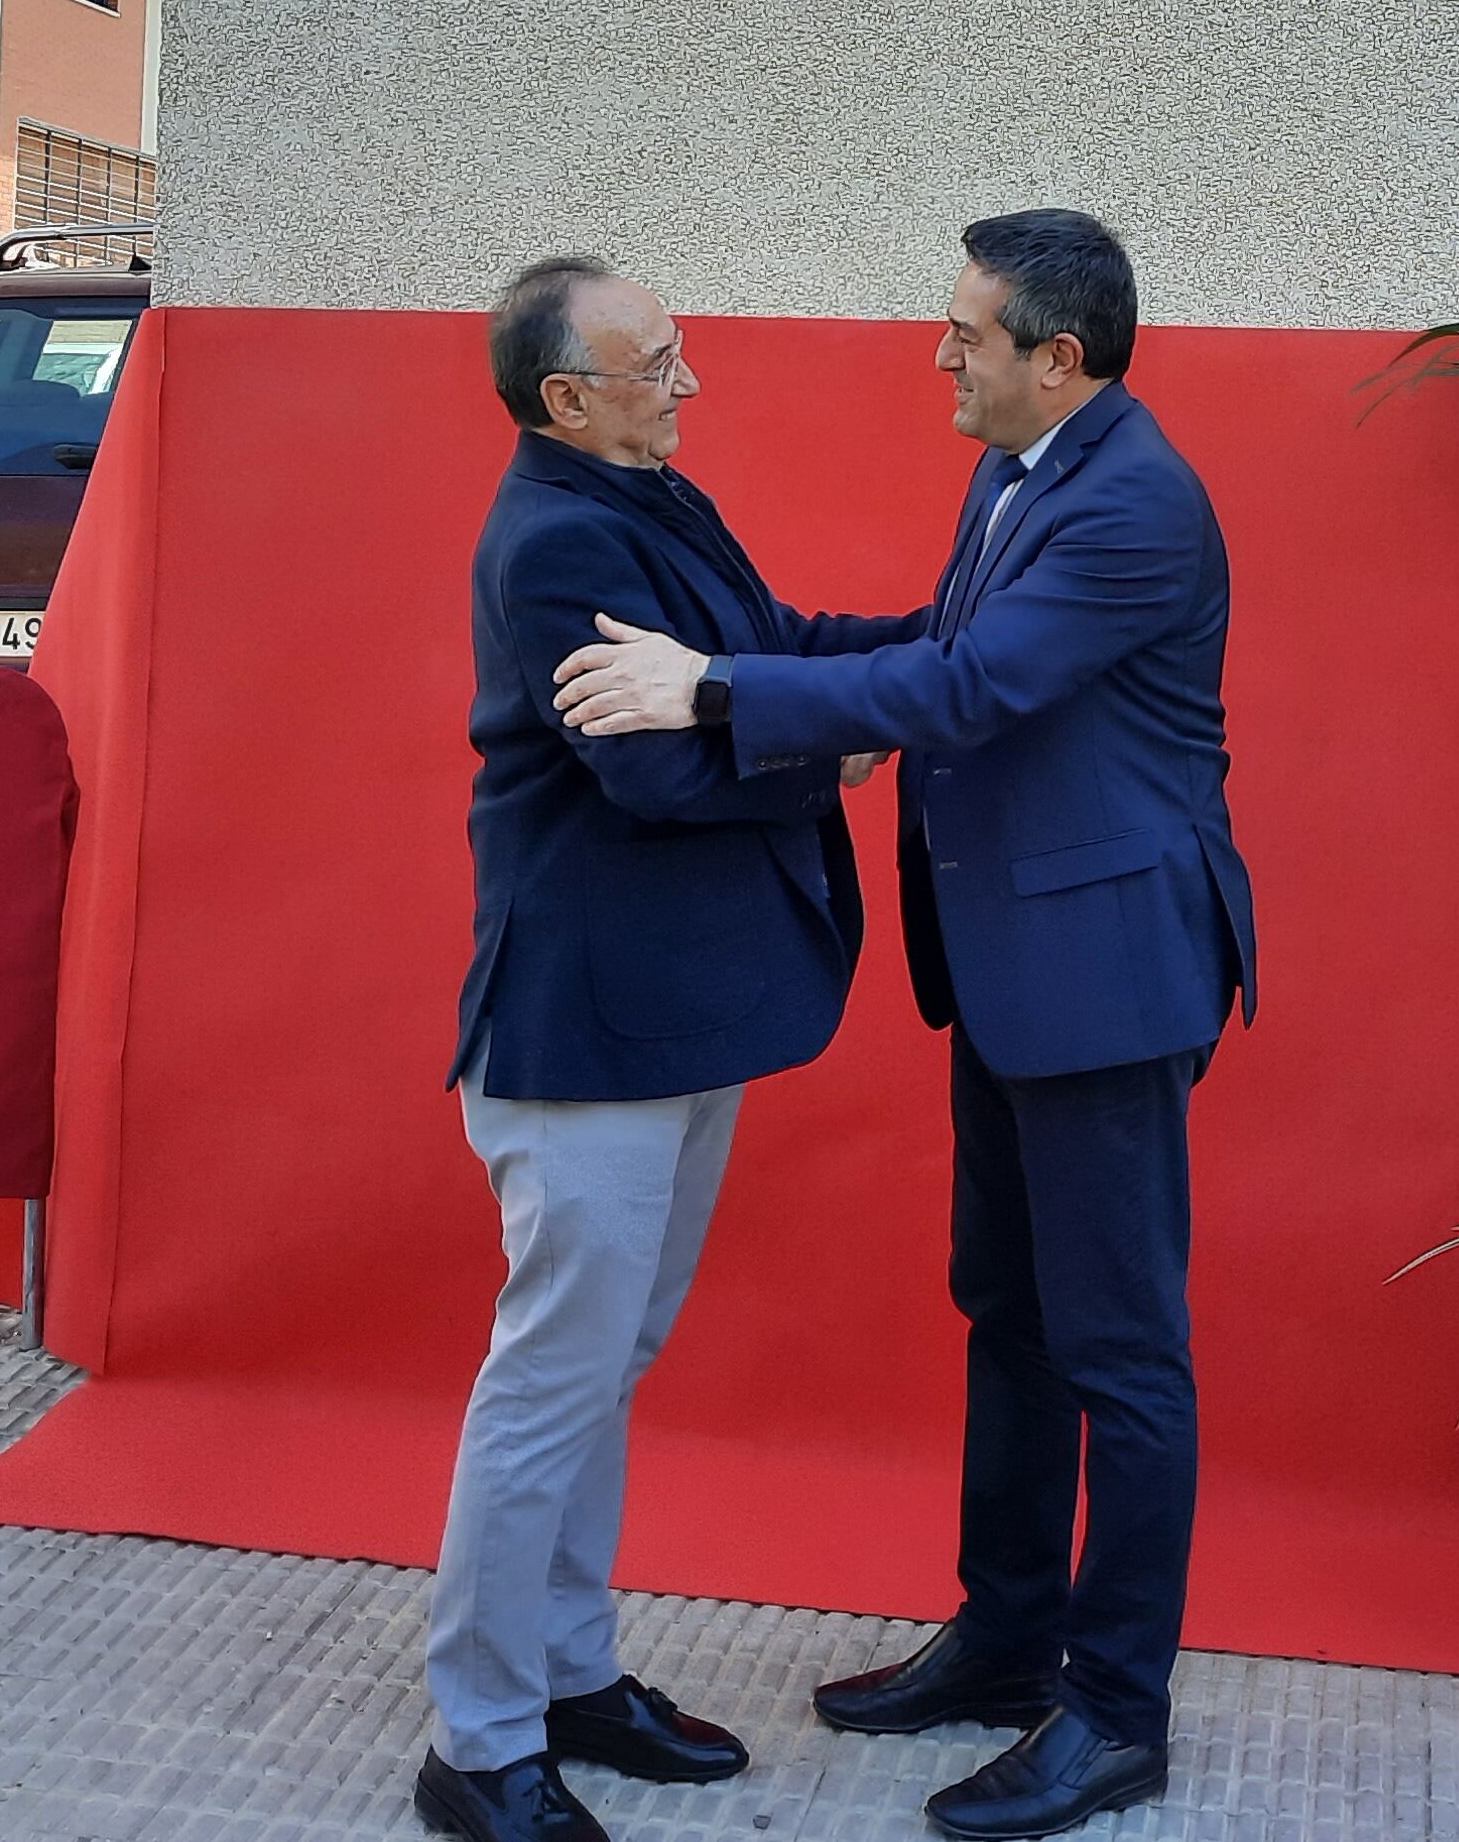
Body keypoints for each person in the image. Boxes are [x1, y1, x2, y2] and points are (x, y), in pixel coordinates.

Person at [556, 211, 1254, 1842]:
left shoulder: (1137, 503)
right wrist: (776, 677)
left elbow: (970, 690)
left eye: (966, 333)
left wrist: (711, 693)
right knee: (1007, 1309)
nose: (939, 354)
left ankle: (1115, 1712)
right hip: (1015, 972)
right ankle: (1010, 1643)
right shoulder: (1019, 472)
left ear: (1055, 360)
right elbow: (944, 654)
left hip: (1107, 981)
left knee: (1123, 1353)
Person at [419, 258, 916, 1842]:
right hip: (586, 1032)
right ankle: (479, 1742)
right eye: (658, 364)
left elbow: (758, 647)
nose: (685, 386)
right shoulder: (562, 535)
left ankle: (571, 1675)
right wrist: (834, 749)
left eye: (682, 355)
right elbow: (650, 776)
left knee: (603, 1371)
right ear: (568, 396)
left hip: (672, 1017)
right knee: (550, 1384)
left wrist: (938, 648)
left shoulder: (651, 500)